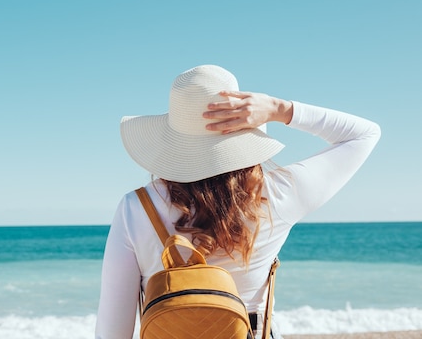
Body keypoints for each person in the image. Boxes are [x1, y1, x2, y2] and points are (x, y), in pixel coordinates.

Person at [95, 65, 381, 339]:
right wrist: (278, 109)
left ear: (173, 138)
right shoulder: (280, 194)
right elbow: (363, 134)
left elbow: (112, 331)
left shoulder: (137, 207)